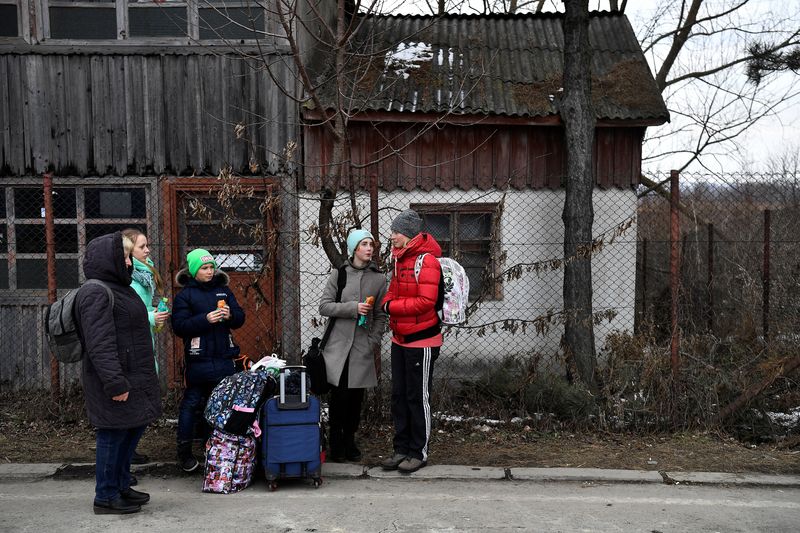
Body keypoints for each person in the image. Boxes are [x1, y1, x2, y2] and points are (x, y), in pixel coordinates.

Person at [75, 231, 162, 514]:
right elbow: (100, 344)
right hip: (116, 380)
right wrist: (115, 383)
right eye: (125, 256)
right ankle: (106, 495)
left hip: (134, 376)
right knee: (112, 435)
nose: (129, 262)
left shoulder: (121, 288)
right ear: (111, 260)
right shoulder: (96, 291)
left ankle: (122, 485)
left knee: (131, 431)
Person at [380, 209, 443, 474]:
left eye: (395, 232)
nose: (391, 236)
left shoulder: (427, 261)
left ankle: (418, 452)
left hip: (422, 340)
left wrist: (391, 307)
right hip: (399, 339)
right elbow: (390, 293)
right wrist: (388, 305)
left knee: (418, 397)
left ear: (408, 234)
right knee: (399, 396)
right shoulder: (399, 260)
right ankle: (401, 449)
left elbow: (426, 302)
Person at [171, 249, 245, 472]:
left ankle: (219, 449)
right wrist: (206, 319)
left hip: (223, 358)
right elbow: (179, 326)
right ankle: (184, 452)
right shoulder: (185, 295)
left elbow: (240, 318)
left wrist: (230, 315)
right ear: (194, 271)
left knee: (222, 404)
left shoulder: (223, 290)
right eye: (204, 268)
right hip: (198, 360)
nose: (210, 271)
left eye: (212, 267)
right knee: (192, 403)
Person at [319, 229, 387, 462]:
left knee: (356, 399)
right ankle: (336, 442)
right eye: (364, 244)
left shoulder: (379, 278)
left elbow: (380, 315)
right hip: (338, 347)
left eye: (371, 244)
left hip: (362, 346)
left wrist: (373, 341)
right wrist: (352, 308)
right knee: (339, 398)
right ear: (354, 249)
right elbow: (325, 307)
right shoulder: (339, 275)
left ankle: (350, 440)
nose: (369, 248)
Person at [121, 228, 170, 468]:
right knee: (136, 404)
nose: (148, 250)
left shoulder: (144, 273)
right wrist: (151, 317)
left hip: (143, 343)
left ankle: (129, 452)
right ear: (129, 251)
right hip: (133, 350)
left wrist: (155, 314)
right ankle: (124, 458)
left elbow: (143, 308)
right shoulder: (128, 279)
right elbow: (128, 315)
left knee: (141, 404)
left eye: (146, 245)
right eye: (142, 247)